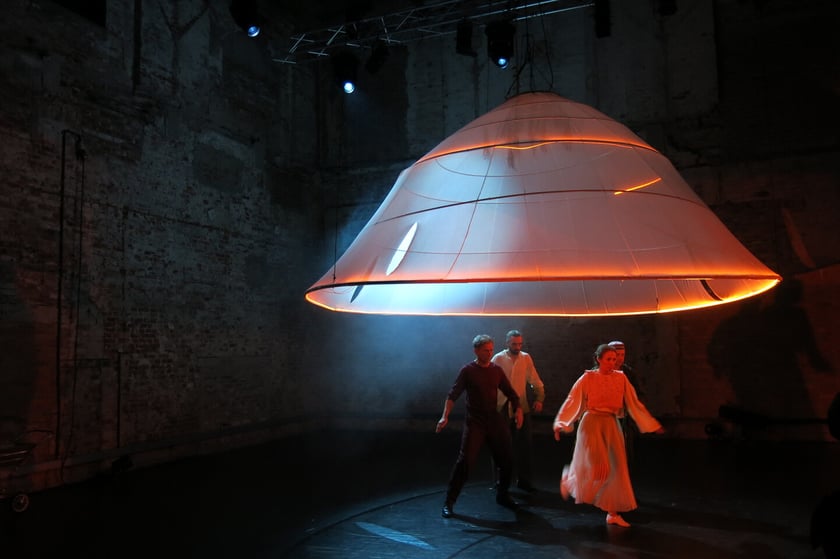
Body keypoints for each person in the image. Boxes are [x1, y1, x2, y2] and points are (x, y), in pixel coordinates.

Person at [553, 343, 664, 527]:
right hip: (592, 423)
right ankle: (570, 480)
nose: (613, 362)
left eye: (615, 359)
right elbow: (573, 400)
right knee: (599, 470)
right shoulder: (588, 377)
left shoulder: (621, 378)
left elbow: (633, 402)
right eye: (609, 359)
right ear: (599, 359)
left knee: (617, 468)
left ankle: (612, 513)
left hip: (611, 424)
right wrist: (561, 423)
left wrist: (651, 424)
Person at [436, 334, 524, 518]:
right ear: (476, 351)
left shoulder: (496, 370)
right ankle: (449, 502)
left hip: (493, 419)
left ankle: (503, 495)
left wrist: (518, 410)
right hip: (475, 422)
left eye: (491, 350)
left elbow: (511, 393)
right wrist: (445, 416)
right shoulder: (468, 371)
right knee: (465, 462)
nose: (490, 353)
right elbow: (453, 394)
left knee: (507, 459)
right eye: (486, 350)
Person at [492, 329, 546, 492]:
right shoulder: (499, 359)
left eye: (519, 344)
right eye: (514, 344)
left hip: (521, 406)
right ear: (507, 343)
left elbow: (534, 379)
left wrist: (539, 397)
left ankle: (524, 481)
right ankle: (501, 482)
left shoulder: (525, 358)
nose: (517, 347)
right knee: (501, 446)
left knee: (524, 445)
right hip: (502, 407)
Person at [608, 340, 639, 466]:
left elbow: (638, 394)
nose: (620, 358)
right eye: (617, 355)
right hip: (604, 417)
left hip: (623, 418)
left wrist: (631, 406)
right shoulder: (597, 373)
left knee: (624, 450)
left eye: (623, 355)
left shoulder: (628, 373)